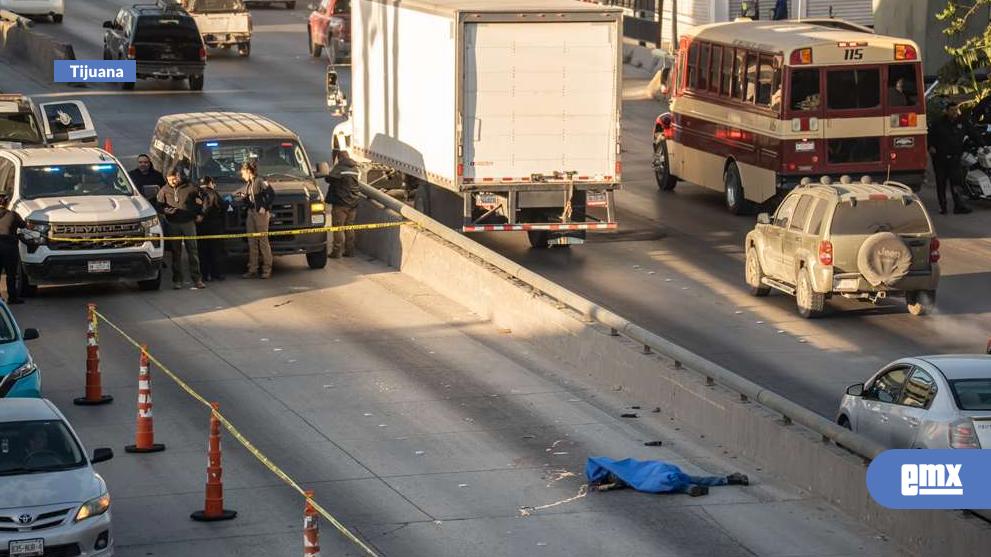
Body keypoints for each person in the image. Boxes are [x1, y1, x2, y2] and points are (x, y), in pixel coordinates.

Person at [157, 169, 206, 289]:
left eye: (174, 179)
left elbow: (205, 198)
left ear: (178, 176)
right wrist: (164, 210)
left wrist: (201, 213)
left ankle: (197, 279)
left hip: (188, 223)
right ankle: (177, 280)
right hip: (173, 224)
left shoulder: (191, 187)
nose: (172, 182)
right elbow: (158, 205)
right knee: (175, 253)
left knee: (193, 251)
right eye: (169, 180)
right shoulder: (164, 190)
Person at [928, 104, 972, 215]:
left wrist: (983, 145)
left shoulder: (962, 122)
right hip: (940, 158)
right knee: (941, 182)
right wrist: (930, 146)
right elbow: (930, 136)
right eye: (952, 110)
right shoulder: (938, 122)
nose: (954, 112)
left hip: (955, 157)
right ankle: (943, 206)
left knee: (956, 182)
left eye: (956, 110)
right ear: (946, 111)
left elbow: (973, 133)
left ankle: (958, 206)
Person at [236, 160, 274, 278]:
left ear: (248, 171)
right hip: (251, 213)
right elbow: (249, 199)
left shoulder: (260, 181)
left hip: (260, 214)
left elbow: (271, 194)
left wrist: (264, 207)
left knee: (263, 242)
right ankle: (253, 268)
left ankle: (266, 270)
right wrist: (243, 198)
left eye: (243, 173)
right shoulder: (249, 184)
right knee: (252, 242)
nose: (242, 176)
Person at [325, 151, 361, 258]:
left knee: (337, 228)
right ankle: (349, 251)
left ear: (339, 158)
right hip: (353, 203)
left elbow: (329, 178)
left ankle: (336, 252)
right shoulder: (355, 168)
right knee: (349, 227)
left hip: (341, 203)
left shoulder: (340, 167)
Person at [197, 176, 226, 281]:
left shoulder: (197, 193)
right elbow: (223, 206)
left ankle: (204, 275)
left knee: (203, 251)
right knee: (216, 251)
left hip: (200, 226)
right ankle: (217, 274)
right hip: (214, 225)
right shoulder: (213, 193)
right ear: (210, 183)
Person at [0, 194, 25, 304]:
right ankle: (12, 298)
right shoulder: (13, 215)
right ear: (7, 203)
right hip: (10, 248)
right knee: (11, 274)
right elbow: (24, 225)